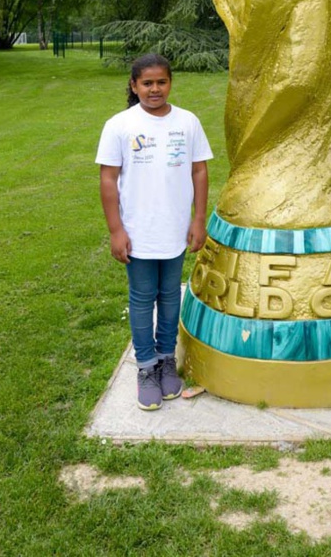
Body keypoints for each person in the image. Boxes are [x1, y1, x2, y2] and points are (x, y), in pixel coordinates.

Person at [96, 53, 213, 410]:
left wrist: (198, 219)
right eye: (147, 83)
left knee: (171, 296)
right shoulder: (119, 125)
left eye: (161, 82)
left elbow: (199, 171)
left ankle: (165, 361)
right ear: (134, 86)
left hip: (175, 231)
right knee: (142, 297)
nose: (155, 89)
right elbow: (108, 179)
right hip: (138, 233)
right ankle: (146, 367)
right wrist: (116, 230)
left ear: (170, 83)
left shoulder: (187, 122)